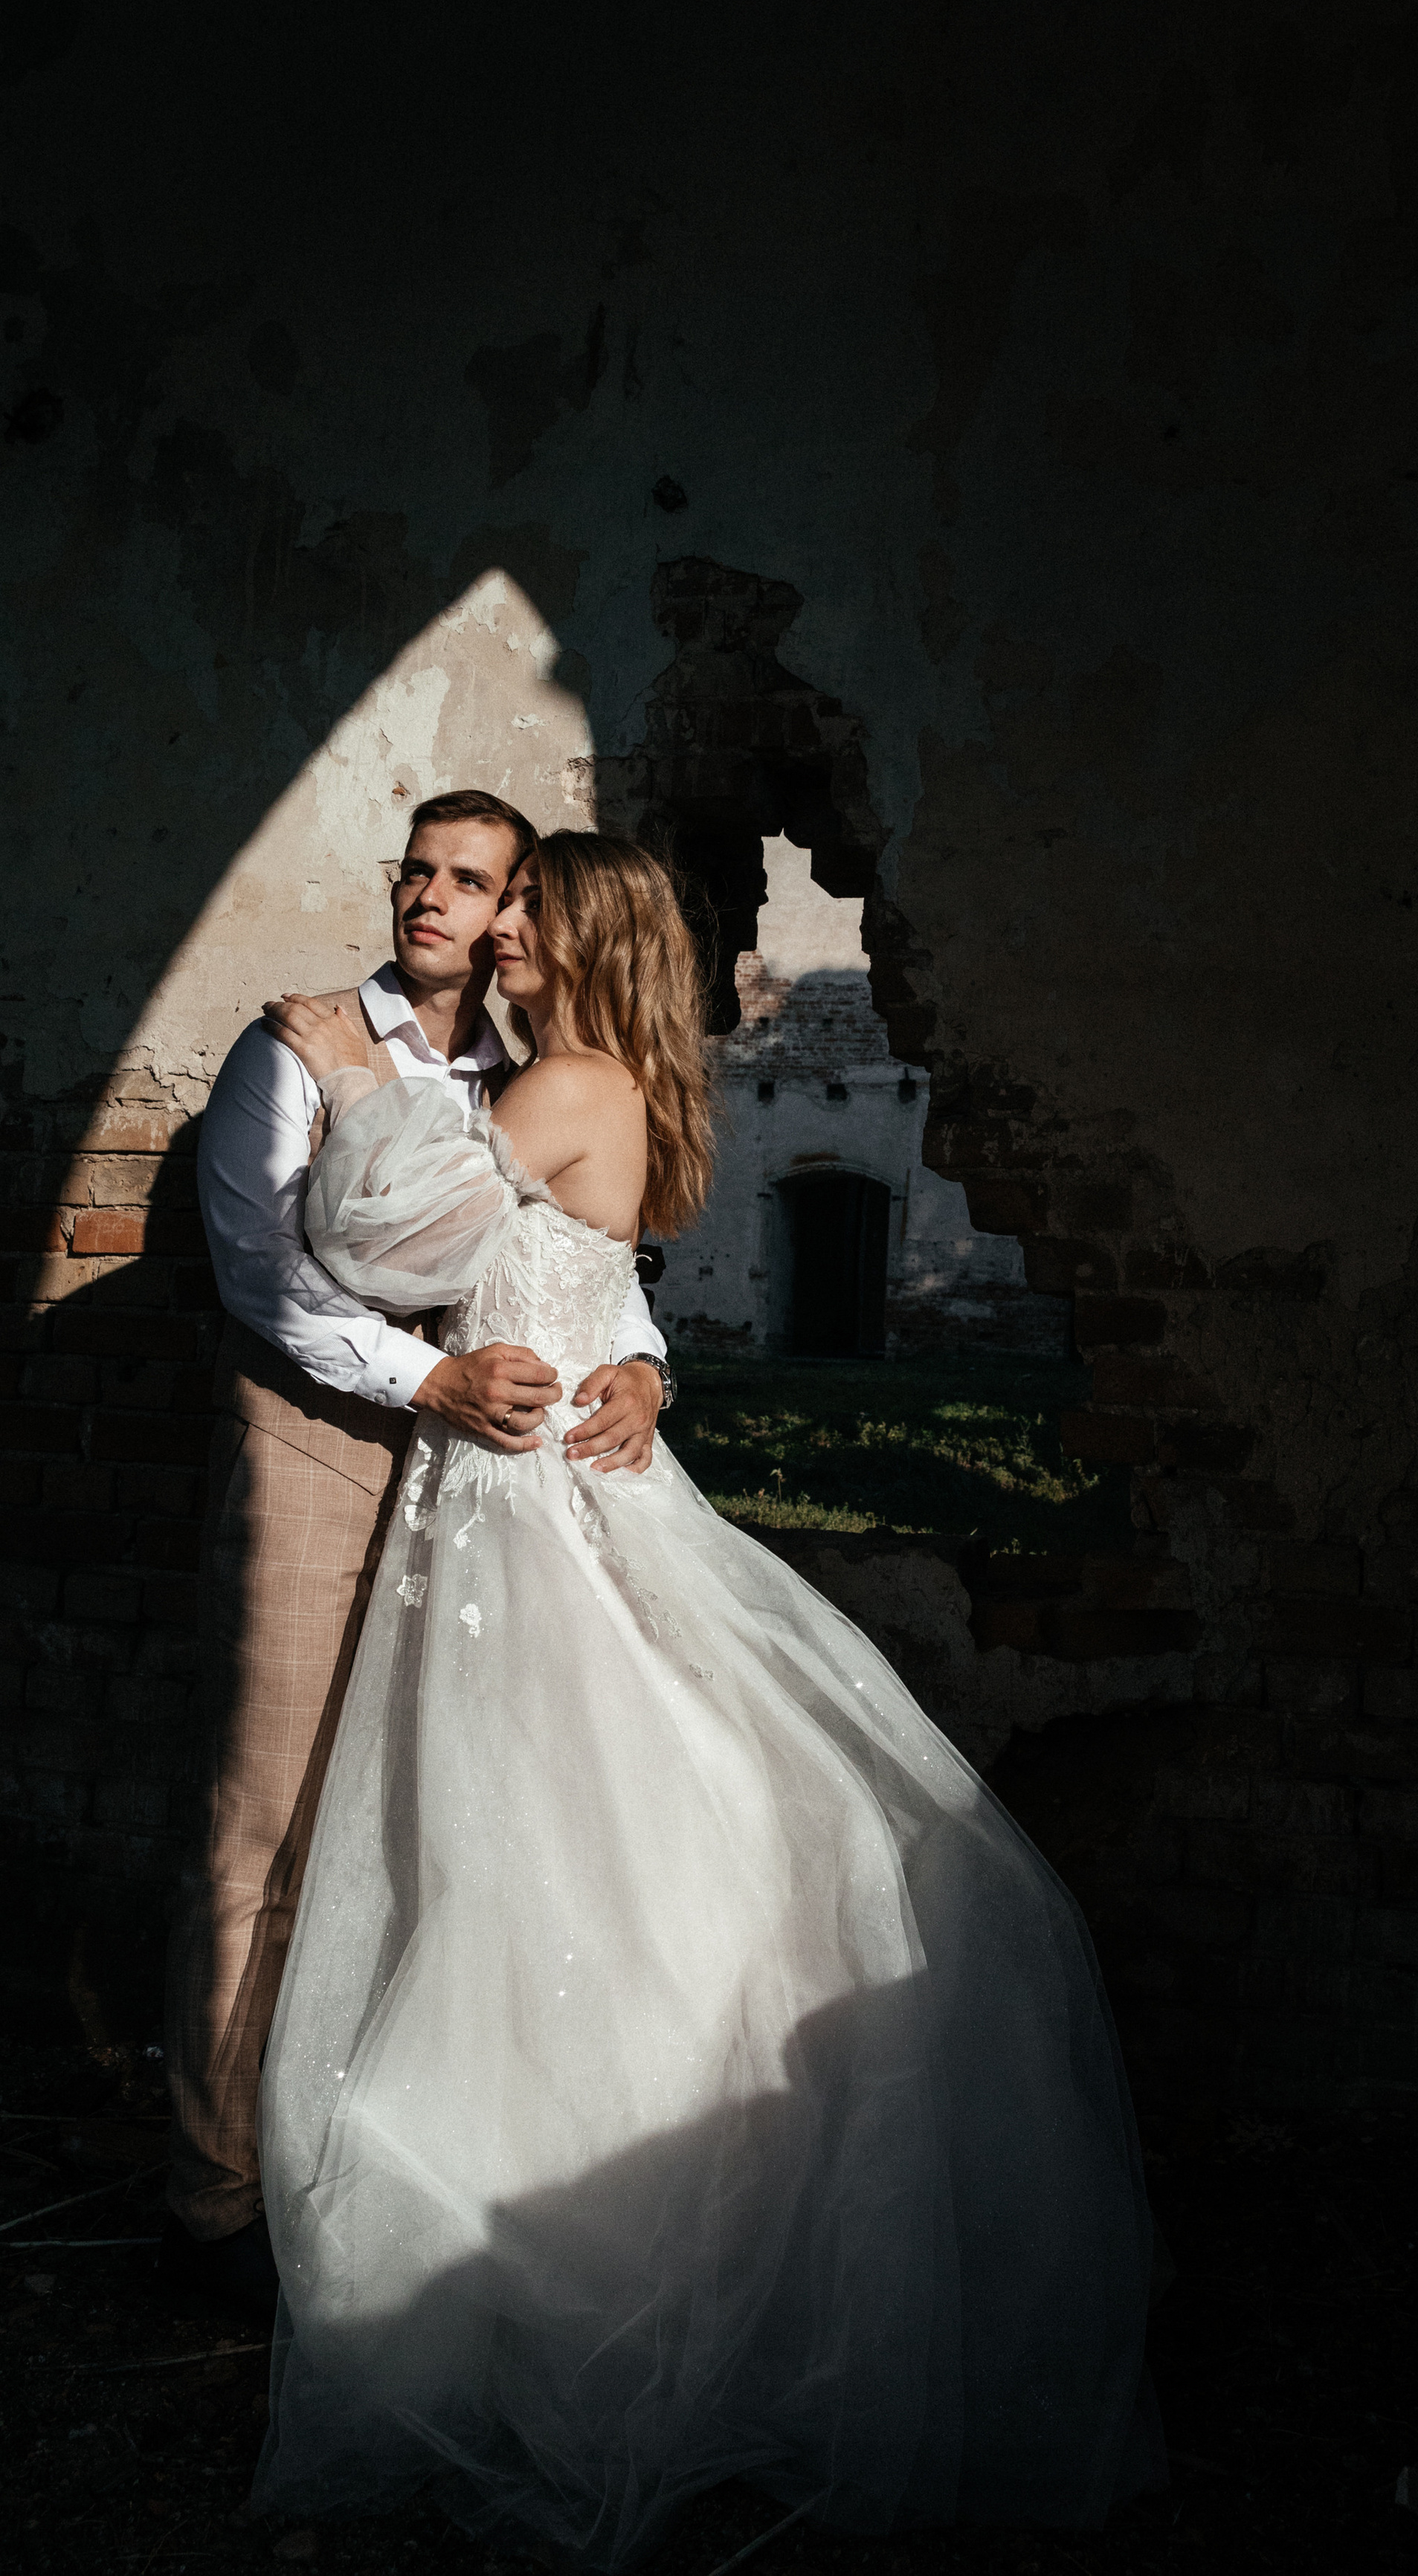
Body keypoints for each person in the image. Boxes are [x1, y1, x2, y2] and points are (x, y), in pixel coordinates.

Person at [250, 831, 1161, 2566]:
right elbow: (596, 1284)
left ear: (586, 938)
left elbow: (369, 1240)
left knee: (542, 1853)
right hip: (554, 1481)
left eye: (529, 911)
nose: (500, 931)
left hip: (525, 1510)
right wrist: (644, 1367)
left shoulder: (564, 1083)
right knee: (583, 1839)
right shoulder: (619, 1088)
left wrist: (368, 1075)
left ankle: (573, 2270)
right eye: (489, 907)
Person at [164, 791, 674, 2320]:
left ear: (529, 905)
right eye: (423, 872)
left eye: (480, 880)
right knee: (264, 1822)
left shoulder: (534, 1068)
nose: (444, 901)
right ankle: (216, 2193)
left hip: (488, 1480)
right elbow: (271, 1277)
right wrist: (426, 1381)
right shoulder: (296, 1043)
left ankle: (363, 2161)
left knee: (434, 1821)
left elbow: (585, 1264)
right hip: (331, 1440)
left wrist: (646, 1363)